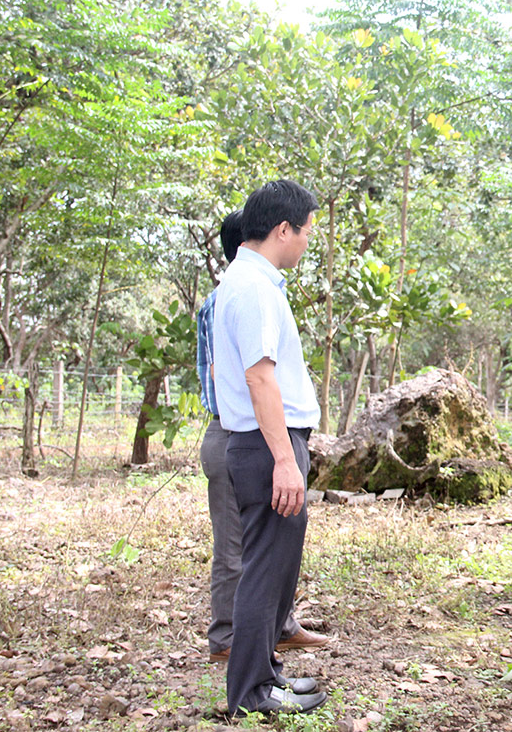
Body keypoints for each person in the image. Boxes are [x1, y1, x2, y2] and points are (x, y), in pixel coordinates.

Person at [213, 180, 327, 715]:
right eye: (306, 232)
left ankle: (267, 675)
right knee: (264, 567)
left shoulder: (254, 281)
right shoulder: (253, 287)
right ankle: (252, 692)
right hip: (266, 445)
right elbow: (260, 379)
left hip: (270, 442)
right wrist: (285, 458)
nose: (307, 242)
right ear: (282, 230)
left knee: (277, 568)